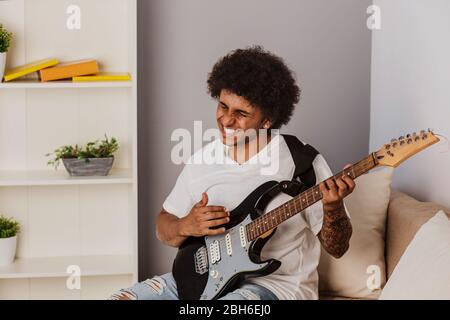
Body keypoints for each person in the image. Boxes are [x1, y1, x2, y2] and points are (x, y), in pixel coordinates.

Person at [110, 46, 354, 300]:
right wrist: (186, 225)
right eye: (223, 106)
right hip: (199, 283)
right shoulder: (202, 160)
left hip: (275, 288)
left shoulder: (302, 164)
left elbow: (338, 248)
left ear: (267, 120)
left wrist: (333, 207)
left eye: (241, 113)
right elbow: (163, 228)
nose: (226, 120)